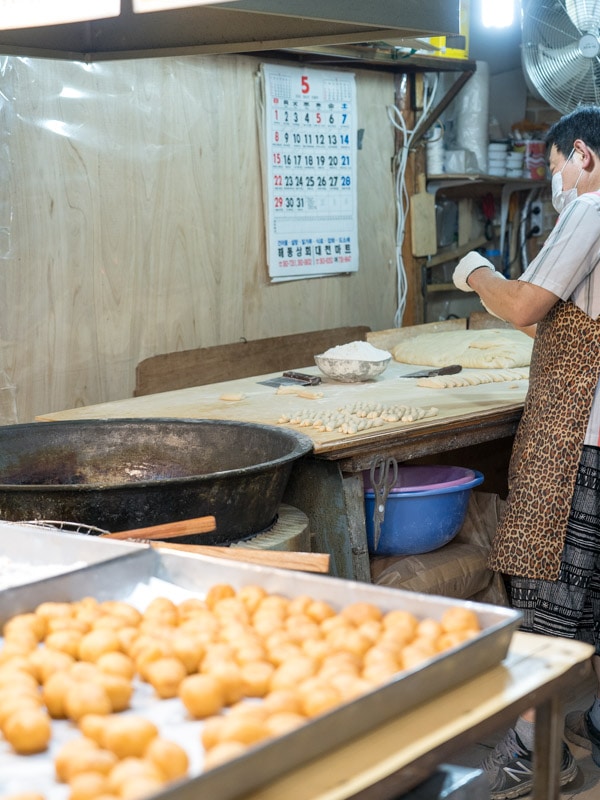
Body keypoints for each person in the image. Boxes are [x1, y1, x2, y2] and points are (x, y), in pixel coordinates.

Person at [452, 104, 600, 800]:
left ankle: (530, 759)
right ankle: (578, 735)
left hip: (580, 443)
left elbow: (520, 307)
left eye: (555, 167)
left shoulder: (593, 209)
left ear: (584, 156)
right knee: (588, 601)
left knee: (553, 598)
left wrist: (476, 271)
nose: (555, 181)